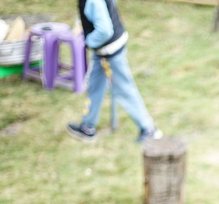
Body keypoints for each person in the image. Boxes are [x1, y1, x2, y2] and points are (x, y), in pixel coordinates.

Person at [66, 0, 161, 143]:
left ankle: (149, 129)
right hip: (104, 50)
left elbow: (105, 30)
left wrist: (89, 41)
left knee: (123, 89)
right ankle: (88, 127)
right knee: (95, 85)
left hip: (110, 51)